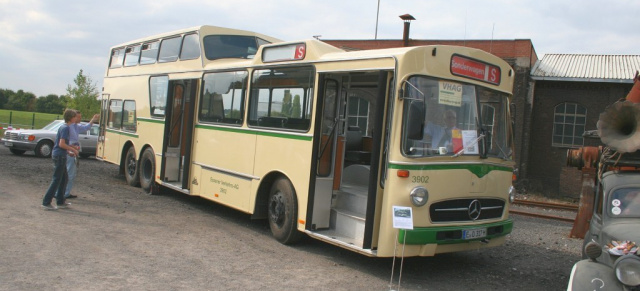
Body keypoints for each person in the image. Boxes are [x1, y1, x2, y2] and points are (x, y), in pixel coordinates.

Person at [41, 109, 79, 210]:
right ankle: (46, 202)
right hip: (59, 156)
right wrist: (73, 149)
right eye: (75, 116)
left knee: (64, 178)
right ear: (71, 118)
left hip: (60, 154)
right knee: (57, 179)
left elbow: (62, 144)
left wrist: (69, 150)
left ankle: (60, 201)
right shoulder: (66, 128)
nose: (77, 118)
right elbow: (61, 144)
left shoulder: (64, 127)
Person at [64, 111, 99, 199]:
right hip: (71, 151)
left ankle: (66, 192)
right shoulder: (69, 127)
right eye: (78, 117)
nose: (79, 119)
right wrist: (72, 149)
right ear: (73, 117)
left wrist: (93, 120)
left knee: (71, 172)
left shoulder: (76, 126)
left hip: (73, 150)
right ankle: (64, 193)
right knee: (69, 172)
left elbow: (86, 127)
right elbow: (65, 141)